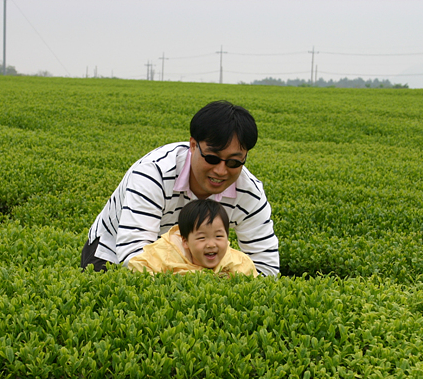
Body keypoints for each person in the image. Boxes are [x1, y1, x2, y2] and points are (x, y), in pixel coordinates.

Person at [81, 100, 279, 276]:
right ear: (193, 145)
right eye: (212, 158)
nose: (221, 171)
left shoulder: (250, 192)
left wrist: (216, 279)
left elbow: (266, 267)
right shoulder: (154, 172)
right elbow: (133, 257)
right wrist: (194, 278)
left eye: (234, 162)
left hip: (196, 260)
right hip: (112, 252)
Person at [128, 199, 257, 276]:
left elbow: (252, 283)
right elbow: (137, 265)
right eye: (202, 238)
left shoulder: (237, 261)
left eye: (218, 236)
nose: (211, 244)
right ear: (185, 241)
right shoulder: (166, 253)